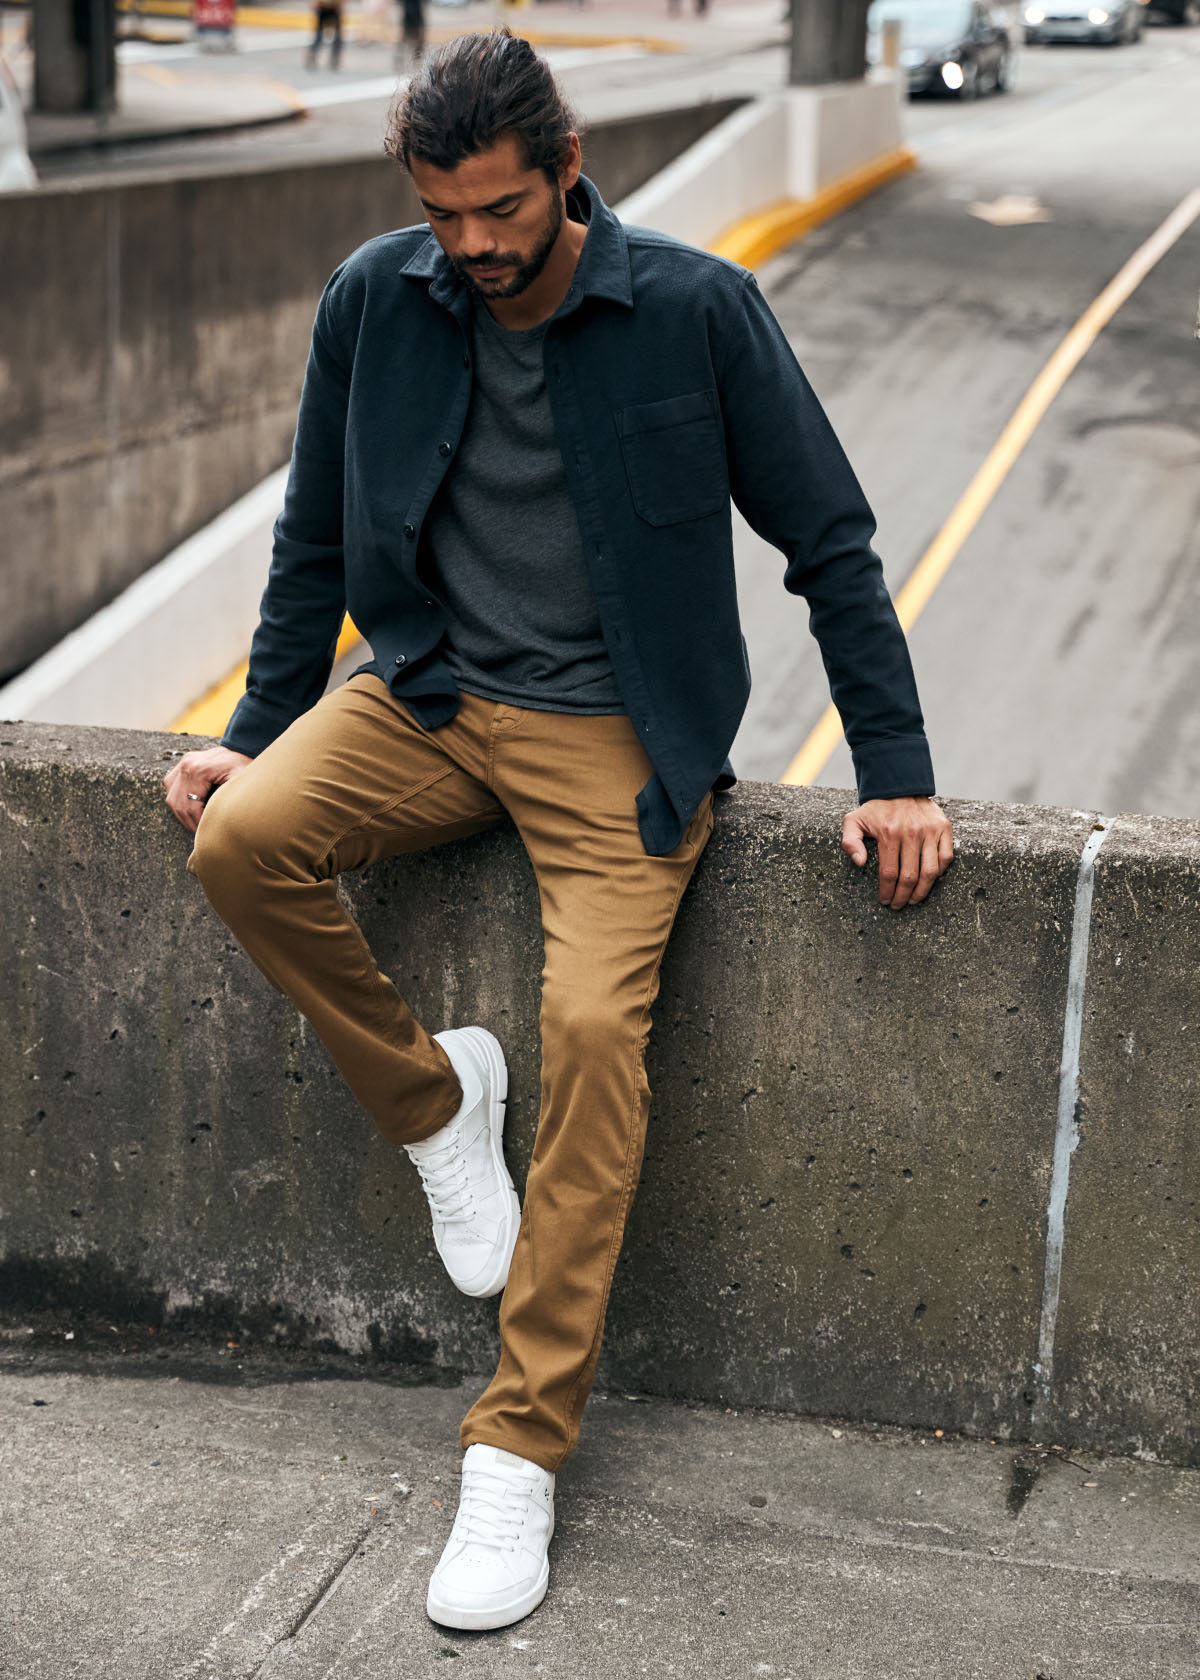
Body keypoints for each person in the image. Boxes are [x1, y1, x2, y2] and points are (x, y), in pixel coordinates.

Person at [163, 27, 953, 1634]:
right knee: (242, 849)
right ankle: (437, 1103)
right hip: (431, 699)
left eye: (502, 212)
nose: (475, 246)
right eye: (446, 215)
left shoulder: (694, 312)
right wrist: (248, 739)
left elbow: (834, 536)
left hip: (619, 742)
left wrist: (897, 764)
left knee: (595, 1028)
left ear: (565, 166)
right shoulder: (376, 299)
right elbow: (314, 538)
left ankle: (517, 1446)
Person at [306, 0, 342, 69]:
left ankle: (335, 56)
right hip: (322, 7)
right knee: (319, 35)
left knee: (337, 36)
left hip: (335, 7)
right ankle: (313, 55)